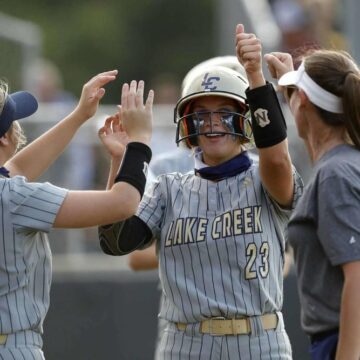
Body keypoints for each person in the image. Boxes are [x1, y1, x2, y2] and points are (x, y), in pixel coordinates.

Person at [99, 23, 303, 359]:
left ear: (245, 119)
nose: (212, 123)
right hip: (186, 344)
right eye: (202, 114)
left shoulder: (265, 177)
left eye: (225, 113)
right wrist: (123, 159)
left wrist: (255, 75)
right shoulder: (168, 188)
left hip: (259, 340)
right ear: (187, 124)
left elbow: (278, 161)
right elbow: (116, 242)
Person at [0, 73, 153, 359]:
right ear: (5, 137)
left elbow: (15, 168)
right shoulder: (15, 198)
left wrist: (80, 115)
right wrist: (141, 142)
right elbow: (123, 203)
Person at [265, 48, 360, 359]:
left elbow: (357, 275)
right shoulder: (349, 164)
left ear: (302, 100)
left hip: (342, 342)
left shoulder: (334, 174)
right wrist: (289, 86)